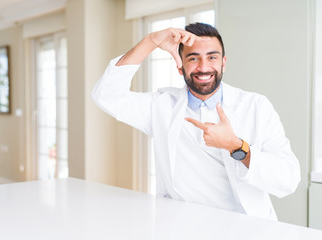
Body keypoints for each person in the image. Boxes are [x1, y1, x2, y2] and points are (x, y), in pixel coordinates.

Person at [92, 23, 300, 220]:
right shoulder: (160, 106)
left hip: (245, 225)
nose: (204, 67)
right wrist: (150, 41)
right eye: (193, 58)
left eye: (212, 57)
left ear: (223, 63)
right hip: (183, 225)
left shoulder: (256, 106)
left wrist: (236, 146)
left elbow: (288, 180)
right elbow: (106, 96)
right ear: (180, 66)